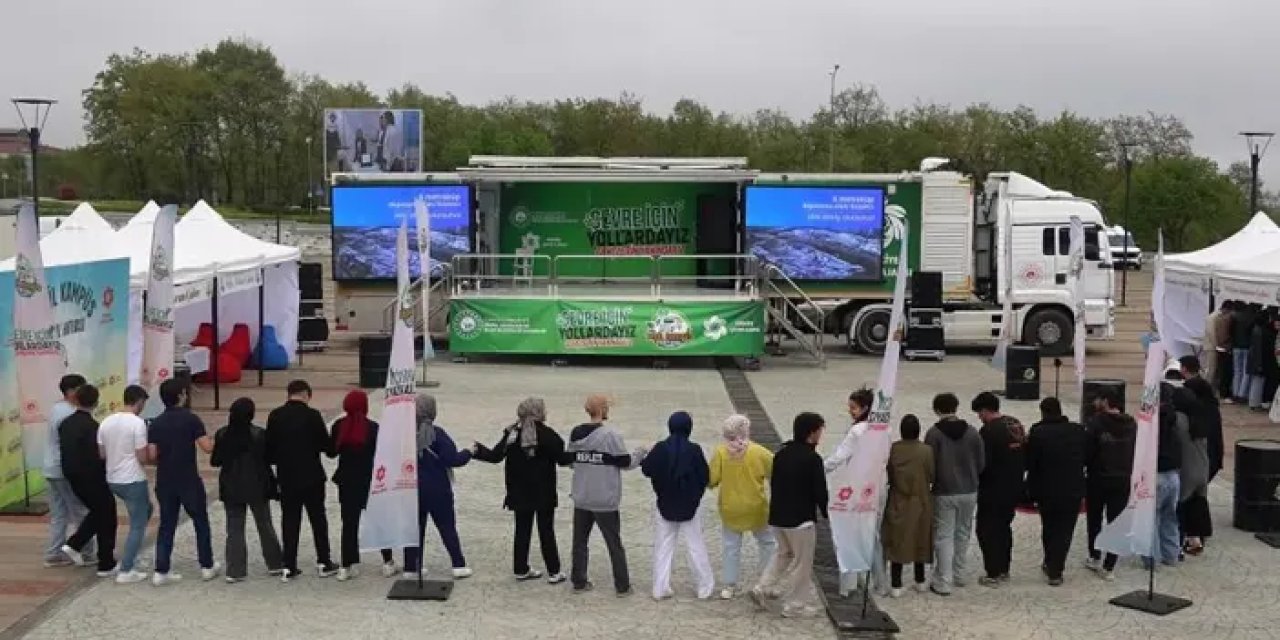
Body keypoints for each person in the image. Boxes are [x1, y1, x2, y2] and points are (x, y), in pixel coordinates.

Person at [471, 397, 567, 584]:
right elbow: (562, 458)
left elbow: (495, 456)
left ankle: (521, 568)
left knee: (522, 530)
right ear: (539, 413)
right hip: (543, 492)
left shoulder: (512, 434)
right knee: (546, 530)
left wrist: (477, 450)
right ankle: (554, 571)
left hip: (519, 492)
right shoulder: (547, 435)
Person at [565, 394, 646, 596]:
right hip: (605, 499)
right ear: (603, 410)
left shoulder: (575, 433)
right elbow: (625, 462)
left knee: (579, 541)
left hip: (582, 496)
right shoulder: (611, 435)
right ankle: (622, 585)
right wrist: (641, 453)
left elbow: (571, 462)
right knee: (614, 543)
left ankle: (579, 581)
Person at [749, 412, 827, 618]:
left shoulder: (781, 454)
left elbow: (774, 482)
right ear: (812, 433)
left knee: (783, 554)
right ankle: (795, 606)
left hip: (778, 517)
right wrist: (827, 512)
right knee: (802, 563)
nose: (821, 435)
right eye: (820, 430)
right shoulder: (813, 459)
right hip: (801, 520)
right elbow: (820, 491)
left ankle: (762, 587)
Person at [148, 379, 219, 585]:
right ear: (181, 395)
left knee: (167, 524)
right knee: (200, 521)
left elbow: (152, 454)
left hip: (165, 478)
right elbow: (207, 447)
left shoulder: (156, 422)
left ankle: (161, 570)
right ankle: (206, 565)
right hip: (188, 478)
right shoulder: (191, 419)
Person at [266, 380, 338, 582]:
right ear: (306, 394)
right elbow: (328, 448)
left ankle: (289, 565)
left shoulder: (275, 416)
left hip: (287, 477)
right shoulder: (313, 416)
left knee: (290, 520)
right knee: (318, 519)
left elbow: (269, 452)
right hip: (312, 476)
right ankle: (324, 561)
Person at [641, 411, 714, 601]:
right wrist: (696, 494)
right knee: (695, 545)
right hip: (690, 504)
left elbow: (647, 469)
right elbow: (705, 476)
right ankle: (704, 587)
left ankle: (660, 587)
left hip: (665, 502)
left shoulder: (661, 448)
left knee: (663, 546)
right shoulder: (694, 450)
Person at [211, 398, 284, 583]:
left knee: (234, 528)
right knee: (265, 524)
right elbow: (272, 458)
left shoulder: (222, 434)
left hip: (231, 486)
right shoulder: (259, 434)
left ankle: (235, 570)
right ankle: (275, 563)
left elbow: (215, 461)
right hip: (257, 485)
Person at [824, 387, 888, 596]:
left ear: (865, 408)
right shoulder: (883, 429)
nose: (850, 411)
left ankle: (850, 583)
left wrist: (820, 468)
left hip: (857, 486)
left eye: (853, 407)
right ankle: (880, 582)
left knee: (849, 534)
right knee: (874, 536)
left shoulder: (857, 431)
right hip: (877, 485)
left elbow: (841, 455)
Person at [402, 393, 473, 579]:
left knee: (414, 529)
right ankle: (458, 564)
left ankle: (411, 566)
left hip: (412, 488)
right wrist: (468, 452)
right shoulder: (438, 434)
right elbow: (452, 459)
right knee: (446, 526)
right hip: (438, 488)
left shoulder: (406, 433)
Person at [327, 390, 394, 581]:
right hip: (369, 480)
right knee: (379, 521)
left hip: (346, 480)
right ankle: (387, 561)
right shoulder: (373, 428)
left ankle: (347, 565)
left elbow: (331, 452)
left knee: (349, 523)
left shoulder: (339, 426)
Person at [708, 414, 775, 600]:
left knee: (731, 547)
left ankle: (729, 585)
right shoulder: (759, 452)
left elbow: (712, 480)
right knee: (768, 543)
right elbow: (776, 471)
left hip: (730, 507)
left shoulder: (721, 452)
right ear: (746, 430)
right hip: (756, 507)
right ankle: (764, 581)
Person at [924, 392, 984, 596]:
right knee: (963, 533)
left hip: (944, 491)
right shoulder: (973, 432)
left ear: (937, 410)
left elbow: (929, 464)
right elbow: (981, 462)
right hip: (969, 490)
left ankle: (943, 580)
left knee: (943, 535)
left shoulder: (934, 434)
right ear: (956, 407)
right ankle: (959, 574)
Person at [1025, 397, 1087, 586]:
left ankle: (1050, 561)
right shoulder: (1078, 431)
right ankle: (1056, 567)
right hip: (1072, 489)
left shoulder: (1037, 432)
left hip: (1047, 490)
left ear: (1043, 411)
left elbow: (1031, 463)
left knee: (1049, 526)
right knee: (1065, 530)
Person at [58, 384, 117, 576]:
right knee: (106, 513)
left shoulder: (66, 423)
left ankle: (81, 546)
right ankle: (103, 560)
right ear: (96, 402)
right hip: (92, 477)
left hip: (71, 476)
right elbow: (97, 455)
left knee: (99, 512)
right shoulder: (92, 427)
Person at [96, 385, 153, 584]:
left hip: (113, 477)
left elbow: (102, 453)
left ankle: (130, 555)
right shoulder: (137, 424)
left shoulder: (106, 421)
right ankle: (127, 568)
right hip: (132, 478)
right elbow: (142, 456)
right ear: (139, 401)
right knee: (138, 523)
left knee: (147, 510)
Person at [971, 391, 1025, 587]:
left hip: (993, 489)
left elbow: (983, 462)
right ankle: (1004, 568)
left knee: (986, 530)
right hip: (1014, 486)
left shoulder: (988, 431)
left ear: (986, 410)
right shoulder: (1015, 424)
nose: (979, 417)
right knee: (1004, 528)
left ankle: (992, 572)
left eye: (980, 413)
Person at [42, 374, 95, 567]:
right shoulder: (68, 415)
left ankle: (54, 553)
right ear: (72, 392)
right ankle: (87, 552)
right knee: (80, 511)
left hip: (51, 468)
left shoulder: (57, 408)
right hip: (64, 469)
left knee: (59, 514)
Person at [1083, 388, 1135, 580]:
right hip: (1122, 478)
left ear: (1105, 402)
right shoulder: (1131, 424)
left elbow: (1087, 452)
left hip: (1098, 478)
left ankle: (1095, 556)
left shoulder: (1096, 423)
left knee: (1094, 518)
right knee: (1116, 521)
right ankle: (1109, 565)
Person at [882, 415, 934, 597]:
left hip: (898, 499)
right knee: (920, 539)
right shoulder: (926, 451)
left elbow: (887, 473)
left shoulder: (894, 450)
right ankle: (920, 580)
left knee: (898, 540)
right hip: (920, 500)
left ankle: (896, 584)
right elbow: (932, 475)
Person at [1168, 378, 1211, 556]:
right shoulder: (1198, 418)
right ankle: (1196, 541)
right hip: (1203, 468)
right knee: (1198, 505)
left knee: (1180, 509)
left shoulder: (1178, 420)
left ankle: (1176, 547)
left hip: (1187, 470)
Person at [1148, 383, 1184, 568]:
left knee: (1151, 517)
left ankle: (1151, 557)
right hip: (1173, 474)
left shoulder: (1151, 420)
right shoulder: (1177, 419)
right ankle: (1171, 554)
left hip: (1157, 473)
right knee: (1170, 516)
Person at [1180, 355, 1224, 482]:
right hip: (1213, 451)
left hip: (1202, 453)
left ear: (1184, 369)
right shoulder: (1207, 393)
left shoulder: (1191, 392)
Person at [1248, 309, 1279, 411]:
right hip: (1266, 362)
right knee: (1262, 381)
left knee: (1260, 381)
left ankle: (1256, 402)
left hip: (1263, 361)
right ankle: (1258, 402)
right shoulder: (1265, 332)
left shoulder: (1259, 330)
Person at [1230, 301, 1256, 403]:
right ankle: (1242, 394)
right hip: (1247, 347)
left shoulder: (1235, 317)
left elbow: (1231, 331)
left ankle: (1235, 393)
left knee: (1237, 371)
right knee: (1246, 372)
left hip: (1236, 346)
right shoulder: (1252, 318)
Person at [1209, 301, 1234, 400]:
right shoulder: (1224, 319)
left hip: (1219, 347)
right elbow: (1222, 336)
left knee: (1219, 371)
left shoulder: (1218, 318)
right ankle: (1222, 393)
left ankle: (1217, 391)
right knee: (1222, 371)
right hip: (1223, 347)